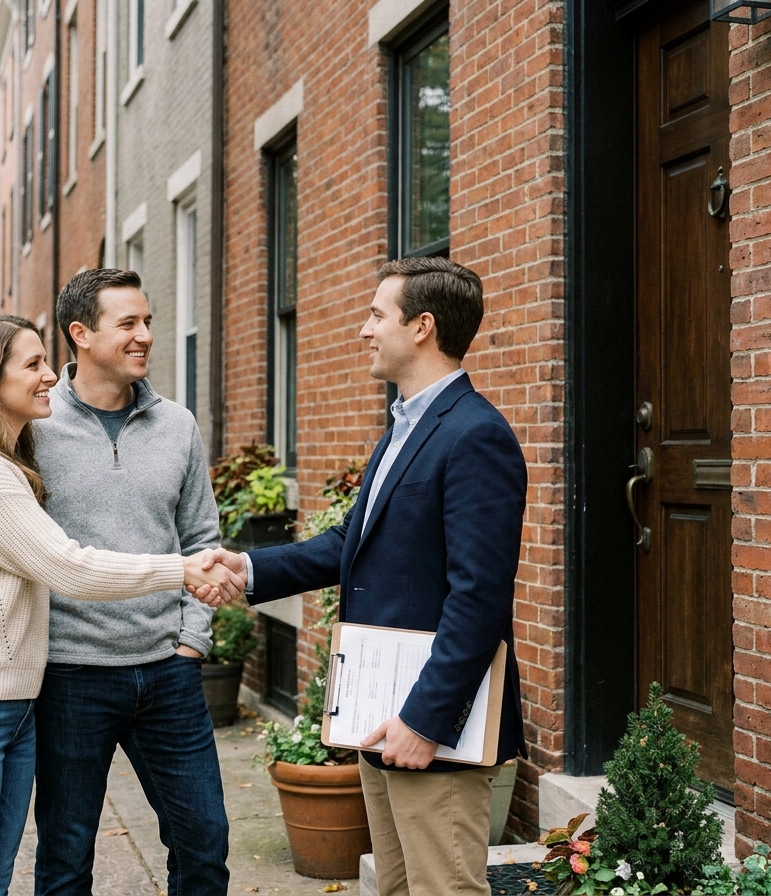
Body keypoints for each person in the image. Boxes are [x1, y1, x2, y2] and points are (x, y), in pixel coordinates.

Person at [202, 257, 528, 896]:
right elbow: (353, 543)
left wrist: (426, 720)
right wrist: (247, 567)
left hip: (432, 727)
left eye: (377, 314)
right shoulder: (406, 425)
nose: (363, 330)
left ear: (423, 327)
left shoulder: (476, 435)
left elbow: (479, 599)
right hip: (382, 715)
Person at [0, 270, 233, 896]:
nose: (145, 336)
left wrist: (192, 640)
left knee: (204, 842)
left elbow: (201, 537)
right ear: (80, 334)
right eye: (129, 324)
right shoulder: (28, 420)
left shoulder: (179, 427)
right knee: (64, 856)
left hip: (167, 672)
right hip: (67, 676)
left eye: (148, 321)